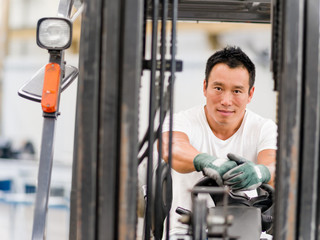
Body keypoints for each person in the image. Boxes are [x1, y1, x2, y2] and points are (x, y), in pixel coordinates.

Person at [160, 46, 277, 236]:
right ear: (205, 87)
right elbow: (171, 147)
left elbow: (277, 165)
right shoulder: (181, 121)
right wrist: (207, 162)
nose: (226, 100)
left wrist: (259, 172)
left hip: (245, 230)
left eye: (237, 91)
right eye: (218, 88)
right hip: (185, 230)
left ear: (250, 94)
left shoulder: (263, 128)